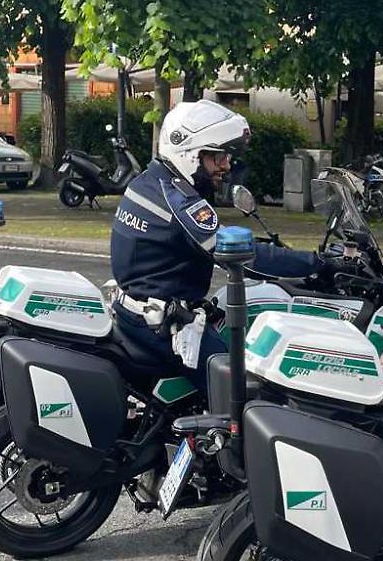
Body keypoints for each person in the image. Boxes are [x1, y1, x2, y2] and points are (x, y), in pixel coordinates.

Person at [110, 100, 329, 392]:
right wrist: (317, 264)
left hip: (135, 312)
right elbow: (241, 256)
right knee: (245, 390)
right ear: (190, 154)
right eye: (218, 157)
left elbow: (206, 239)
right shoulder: (179, 201)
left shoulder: (150, 181)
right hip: (160, 327)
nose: (226, 165)